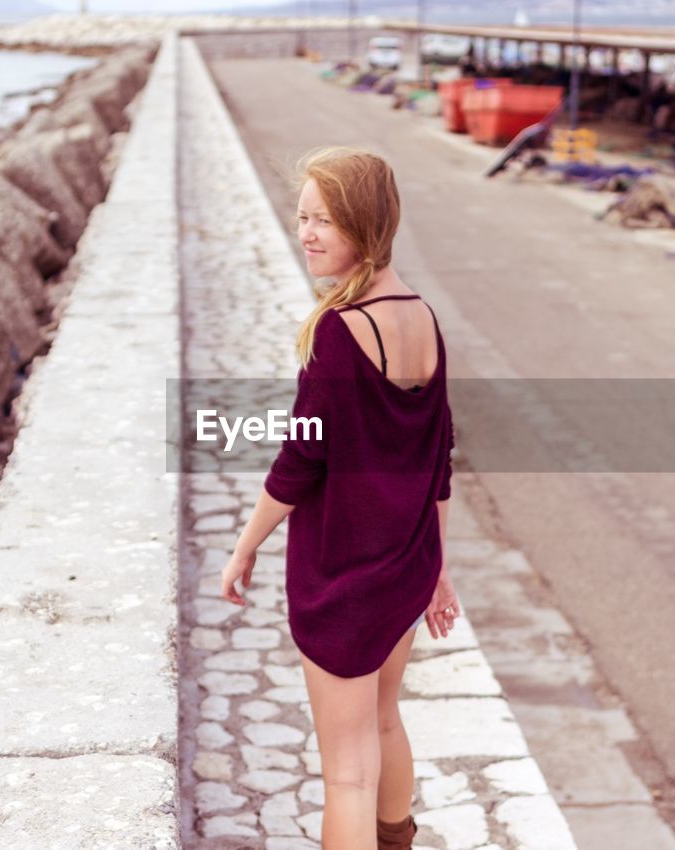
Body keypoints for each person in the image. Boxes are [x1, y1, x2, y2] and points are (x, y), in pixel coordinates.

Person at [221, 146, 459, 850]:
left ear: (365, 223)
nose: (307, 233)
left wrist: (244, 545)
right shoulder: (424, 321)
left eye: (324, 219)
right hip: (404, 568)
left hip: (347, 580)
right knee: (385, 720)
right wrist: (437, 567)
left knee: (346, 774)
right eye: (302, 217)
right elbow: (437, 459)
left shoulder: (339, 330)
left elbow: (301, 459)